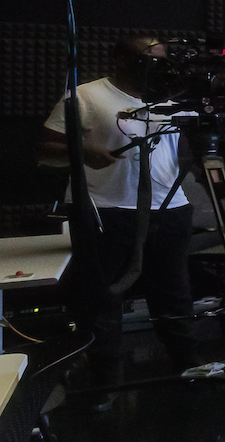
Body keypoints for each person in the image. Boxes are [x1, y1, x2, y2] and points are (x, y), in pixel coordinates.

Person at [36, 37, 196, 380]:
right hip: (105, 211)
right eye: (149, 57)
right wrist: (82, 152)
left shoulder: (171, 101)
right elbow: (44, 150)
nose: (157, 65)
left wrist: (215, 177)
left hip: (169, 211)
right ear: (121, 58)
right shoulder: (85, 97)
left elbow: (184, 153)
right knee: (100, 299)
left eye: (161, 59)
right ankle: (104, 379)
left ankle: (188, 368)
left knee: (174, 296)